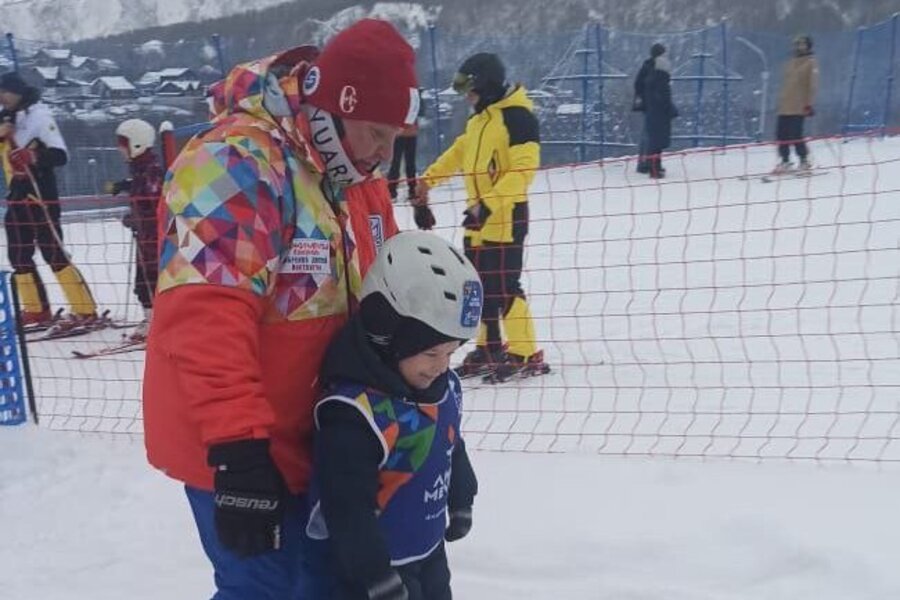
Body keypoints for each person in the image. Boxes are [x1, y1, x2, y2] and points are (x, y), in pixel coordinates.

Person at [141, 19, 420, 599]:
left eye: (394, 137)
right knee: (269, 591)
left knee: (327, 584)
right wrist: (240, 452)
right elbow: (205, 317)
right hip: (241, 442)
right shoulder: (233, 163)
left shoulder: (354, 176)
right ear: (333, 107)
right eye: (374, 133)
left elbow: (385, 290)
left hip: (324, 437)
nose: (383, 153)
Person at [307, 230, 479, 600]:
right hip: (378, 571)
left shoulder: (442, 388)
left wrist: (462, 497)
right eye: (431, 354)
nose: (442, 367)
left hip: (429, 552)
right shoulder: (356, 414)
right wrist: (374, 574)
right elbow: (347, 507)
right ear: (389, 335)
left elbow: (449, 443)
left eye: (452, 353)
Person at [414, 52, 549, 383]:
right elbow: (458, 153)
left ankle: (525, 352)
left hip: (505, 215)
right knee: (478, 288)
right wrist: (426, 182)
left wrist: (488, 205)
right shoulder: (480, 120)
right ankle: (489, 348)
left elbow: (523, 171)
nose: (466, 96)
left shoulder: (517, 118)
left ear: (486, 85)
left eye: (469, 88)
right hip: (477, 218)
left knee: (504, 287)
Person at [0, 72, 97, 328]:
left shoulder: (39, 116)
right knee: (18, 253)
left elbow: (60, 155)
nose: (1, 98)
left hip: (40, 192)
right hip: (17, 193)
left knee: (51, 250)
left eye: (4, 92)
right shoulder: (6, 118)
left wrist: (33, 158)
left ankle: (84, 309)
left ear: (17, 91)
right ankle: (35, 309)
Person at [105, 118, 163, 341]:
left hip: (153, 239)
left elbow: (155, 204)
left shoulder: (150, 171)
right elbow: (140, 187)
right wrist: (123, 186)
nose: (120, 150)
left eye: (123, 144)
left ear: (137, 144)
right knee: (143, 281)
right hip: (145, 239)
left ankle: (156, 322)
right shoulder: (141, 169)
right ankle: (152, 319)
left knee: (150, 280)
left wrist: (135, 219)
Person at [773, 34, 819, 173]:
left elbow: (813, 85)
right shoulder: (790, 62)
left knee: (795, 134)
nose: (800, 47)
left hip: (799, 106)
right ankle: (785, 161)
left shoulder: (811, 62)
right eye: (797, 44)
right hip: (785, 105)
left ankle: (804, 161)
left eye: (803, 44)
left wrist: (809, 104)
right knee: (781, 135)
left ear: (808, 46)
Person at [642, 54, 679, 179]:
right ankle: (655, 169)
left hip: (652, 116)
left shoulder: (650, 80)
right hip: (660, 118)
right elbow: (664, 100)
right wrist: (671, 111)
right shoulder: (662, 82)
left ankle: (655, 167)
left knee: (654, 144)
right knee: (657, 145)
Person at [633, 42, 666, 174]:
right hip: (651, 106)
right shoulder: (653, 67)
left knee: (648, 135)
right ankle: (646, 163)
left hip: (649, 105)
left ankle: (647, 162)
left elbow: (638, 84)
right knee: (649, 135)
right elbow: (641, 84)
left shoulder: (648, 65)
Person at [386, 89, 423, 202]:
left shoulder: (396, 92)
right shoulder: (415, 94)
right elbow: (420, 111)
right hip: (409, 133)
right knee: (408, 163)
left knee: (396, 162)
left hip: (400, 133)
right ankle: (411, 190)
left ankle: (392, 191)